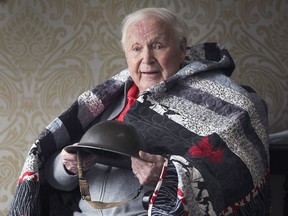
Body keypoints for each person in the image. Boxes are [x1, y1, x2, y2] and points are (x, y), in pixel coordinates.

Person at [8, 7, 270, 216]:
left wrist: (167, 176)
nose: (146, 58)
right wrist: (66, 165)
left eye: (158, 45)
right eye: (136, 48)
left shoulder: (221, 101)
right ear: (126, 54)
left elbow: (233, 171)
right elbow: (53, 182)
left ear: (181, 49)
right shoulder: (105, 102)